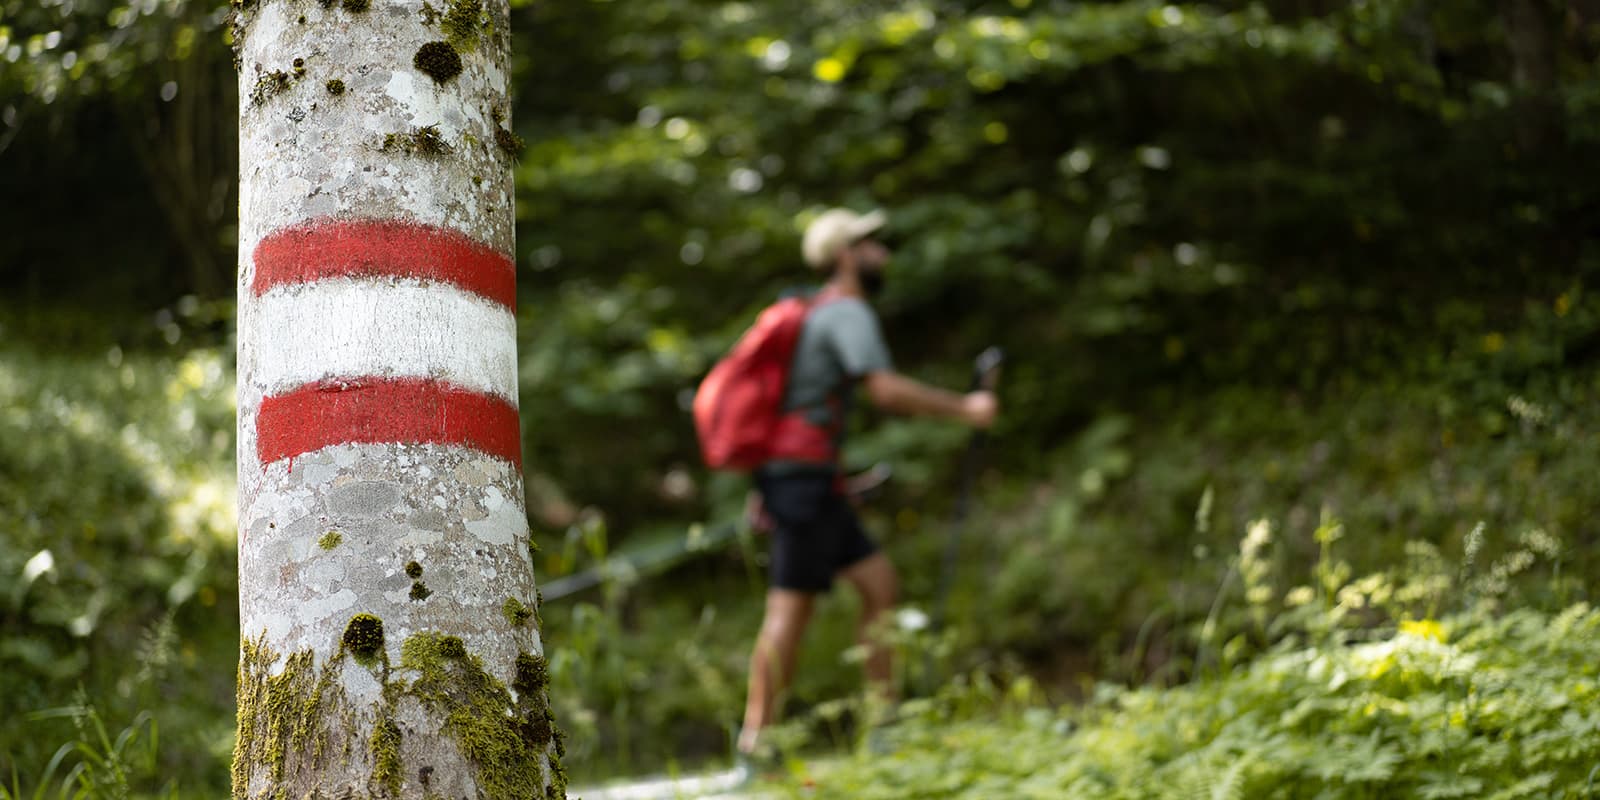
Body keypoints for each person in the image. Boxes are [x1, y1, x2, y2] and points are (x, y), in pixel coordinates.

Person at [737, 206, 999, 759]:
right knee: (789, 611)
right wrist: (966, 409)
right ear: (844, 256)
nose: (882, 253)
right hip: (802, 484)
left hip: (810, 481)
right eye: (870, 244)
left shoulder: (819, 312)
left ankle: (883, 731)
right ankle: (756, 748)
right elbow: (886, 392)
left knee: (880, 585)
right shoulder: (846, 312)